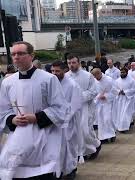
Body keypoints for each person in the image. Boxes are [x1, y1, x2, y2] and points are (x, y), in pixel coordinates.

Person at [0, 41, 68, 180]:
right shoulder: (8, 82)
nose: (16, 57)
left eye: (20, 53)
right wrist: (12, 119)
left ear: (32, 55)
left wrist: (36, 117)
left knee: (42, 174)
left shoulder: (48, 79)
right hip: (18, 136)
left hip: (44, 136)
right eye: (13, 54)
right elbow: (3, 109)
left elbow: (60, 108)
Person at [65, 55, 101, 163]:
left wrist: (79, 97)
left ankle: (96, 145)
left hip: (85, 106)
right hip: (71, 108)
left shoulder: (87, 76)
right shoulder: (66, 76)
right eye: (69, 63)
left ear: (79, 62)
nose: (71, 65)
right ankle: (81, 153)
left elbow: (93, 91)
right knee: (75, 131)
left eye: (73, 62)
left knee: (85, 130)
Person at [51, 60, 82, 179]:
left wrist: (64, 118)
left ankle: (71, 169)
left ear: (64, 70)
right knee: (57, 148)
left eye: (57, 71)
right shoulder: (51, 83)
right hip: (54, 122)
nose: (54, 73)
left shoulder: (72, 85)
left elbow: (75, 104)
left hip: (68, 122)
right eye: (52, 71)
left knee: (70, 146)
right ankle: (58, 171)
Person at [91, 68, 116, 144]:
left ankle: (112, 135)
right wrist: (97, 97)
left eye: (96, 76)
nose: (96, 78)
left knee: (107, 119)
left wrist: (106, 96)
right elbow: (94, 91)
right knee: (101, 120)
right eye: (94, 77)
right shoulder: (95, 80)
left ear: (99, 73)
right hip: (99, 103)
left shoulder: (109, 80)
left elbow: (114, 91)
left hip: (108, 103)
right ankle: (103, 137)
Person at [113, 68, 135, 132]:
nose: (122, 74)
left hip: (128, 99)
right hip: (120, 99)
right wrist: (119, 91)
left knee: (125, 113)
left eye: (123, 72)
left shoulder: (131, 80)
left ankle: (124, 128)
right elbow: (114, 89)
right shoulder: (117, 81)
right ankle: (122, 125)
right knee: (120, 113)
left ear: (127, 73)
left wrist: (126, 92)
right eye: (121, 72)